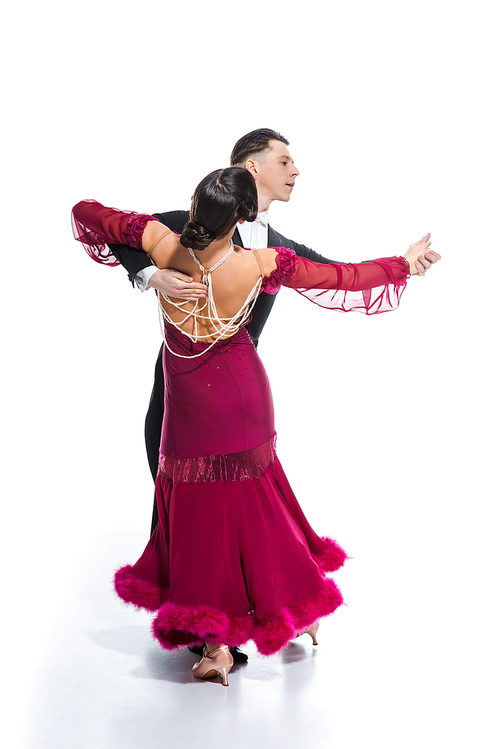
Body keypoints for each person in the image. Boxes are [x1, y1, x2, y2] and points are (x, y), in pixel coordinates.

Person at [72, 166, 440, 687]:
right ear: (243, 217)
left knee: (200, 513)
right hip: (244, 392)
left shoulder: (161, 243)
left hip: (192, 401)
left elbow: (86, 213)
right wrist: (403, 263)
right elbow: (344, 278)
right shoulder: (260, 262)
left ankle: (216, 645)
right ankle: (297, 612)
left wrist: (150, 274)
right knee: (255, 504)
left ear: (195, 203)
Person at [104, 129, 439, 543]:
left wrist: (403, 263)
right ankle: (171, 550)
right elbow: (118, 233)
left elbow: (342, 274)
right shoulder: (193, 223)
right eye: (284, 161)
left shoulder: (278, 248)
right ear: (252, 168)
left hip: (239, 384)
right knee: (169, 464)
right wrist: (153, 276)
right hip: (183, 371)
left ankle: (236, 564)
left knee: (240, 481)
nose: (295, 170)